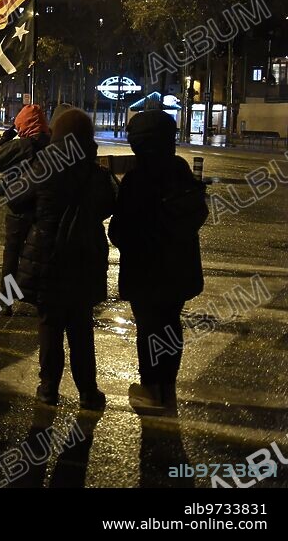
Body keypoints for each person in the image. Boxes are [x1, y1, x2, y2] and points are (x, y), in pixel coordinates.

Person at [8, 108, 116, 411]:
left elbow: (15, 197)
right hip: (84, 258)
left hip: (47, 257)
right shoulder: (95, 172)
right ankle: (88, 391)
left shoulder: (44, 165)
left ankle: (48, 389)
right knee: (81, 327)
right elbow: (108, 206)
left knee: (50, 324)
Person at [109, 111, 207, 416]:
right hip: (179, 270)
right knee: (170, 325)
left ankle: (151, 386)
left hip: (145, 270)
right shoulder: (182, 173)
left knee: (149, 329)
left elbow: (119, 231)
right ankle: (167, 384)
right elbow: (196, 215)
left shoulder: (137, 180)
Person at [0, 104, 52, 316]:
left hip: (18, 207)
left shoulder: (21, 145)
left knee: (12, 252)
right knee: (40, 253)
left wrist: (6, 136)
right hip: (44, 208)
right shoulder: (53, 145)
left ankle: (6, 299)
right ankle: (39, 297)